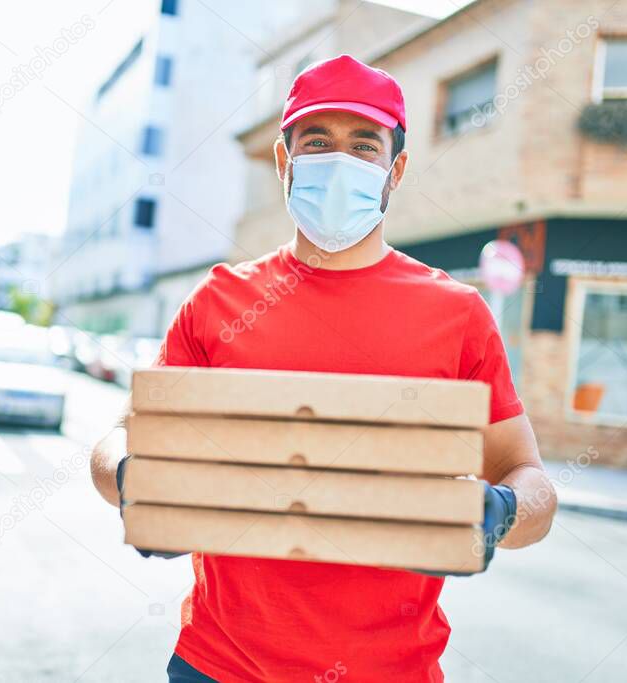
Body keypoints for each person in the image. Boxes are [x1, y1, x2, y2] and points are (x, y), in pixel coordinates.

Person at [91, 54, 557, 682]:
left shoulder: (459, 315)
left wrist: (498, 512)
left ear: (395, 169)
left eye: (365, 145)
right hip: (217, 666)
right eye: (318, 142)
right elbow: (121, 435)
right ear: (285, 162)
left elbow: (531, 482)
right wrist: (133, 482)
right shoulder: (218, 302)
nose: (340, 162)